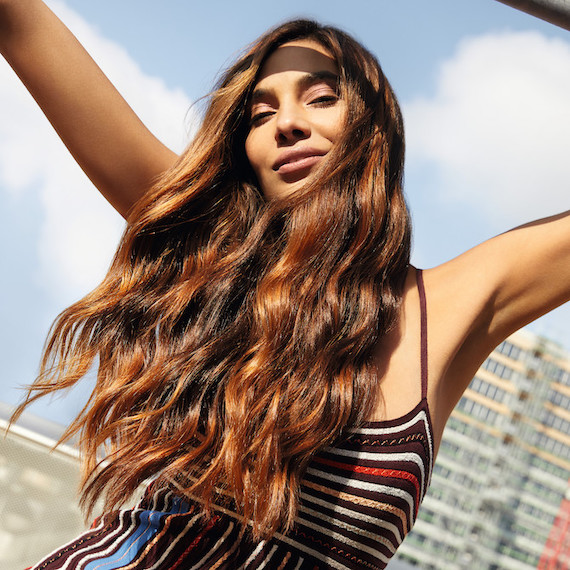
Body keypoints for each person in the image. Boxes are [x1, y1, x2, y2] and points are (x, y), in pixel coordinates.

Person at [1, 1, 569, 569]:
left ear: (376, 131)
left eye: (322, 98)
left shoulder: (447, 309)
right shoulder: (209, 251)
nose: (288, 124)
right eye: (259, 114)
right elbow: (18, 21)